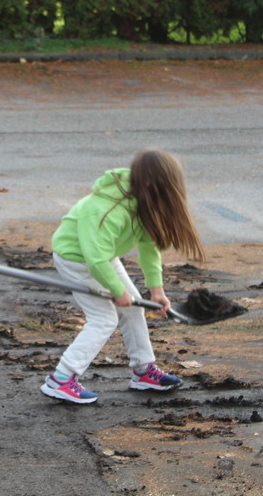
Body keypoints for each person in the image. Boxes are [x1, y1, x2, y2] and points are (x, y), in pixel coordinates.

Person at [41, 148, 206, 404]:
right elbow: (94, 260)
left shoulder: (143, 200)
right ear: (150, 184)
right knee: (104, 318)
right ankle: (61, 379)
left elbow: (149, 249)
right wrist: (117, 291)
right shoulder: (104, 210)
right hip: (78, 259)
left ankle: (143, 371)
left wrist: (157, 291)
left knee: (134, 308)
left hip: (103, 257)